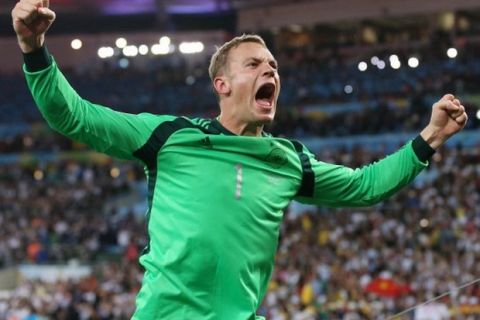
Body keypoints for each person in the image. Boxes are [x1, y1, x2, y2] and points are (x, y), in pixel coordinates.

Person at [11, 1, 468, 319]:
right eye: (254, 64)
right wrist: (34, 50)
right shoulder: (170, 136)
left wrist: (429, 137)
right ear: (222, 85)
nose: (270, 70)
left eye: (273, 66)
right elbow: (72, 116)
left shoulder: (289, 160)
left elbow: (365, 187)